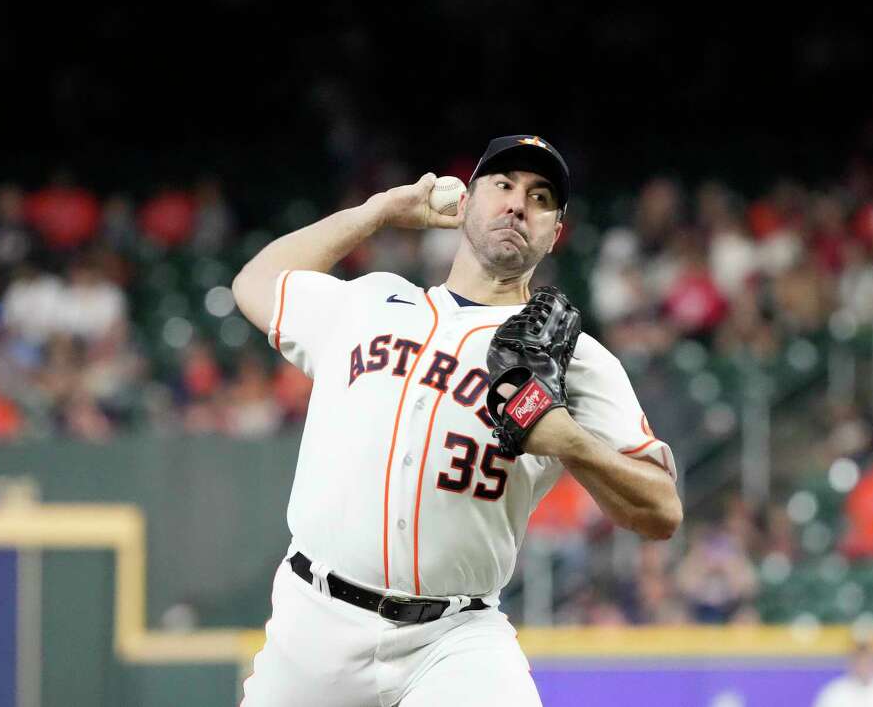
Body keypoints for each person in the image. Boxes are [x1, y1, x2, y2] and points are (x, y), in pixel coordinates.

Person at [231, 135, 682, 706]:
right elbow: (253, 283)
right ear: (465, 201)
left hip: (454, 639)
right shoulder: (370, 304)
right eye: (503, 185)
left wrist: (570, 441)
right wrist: (378, 213)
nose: (519, 204)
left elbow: (661, 511)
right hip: (314, 623)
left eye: (541, 197)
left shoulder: (575, 359)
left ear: (555, 232)